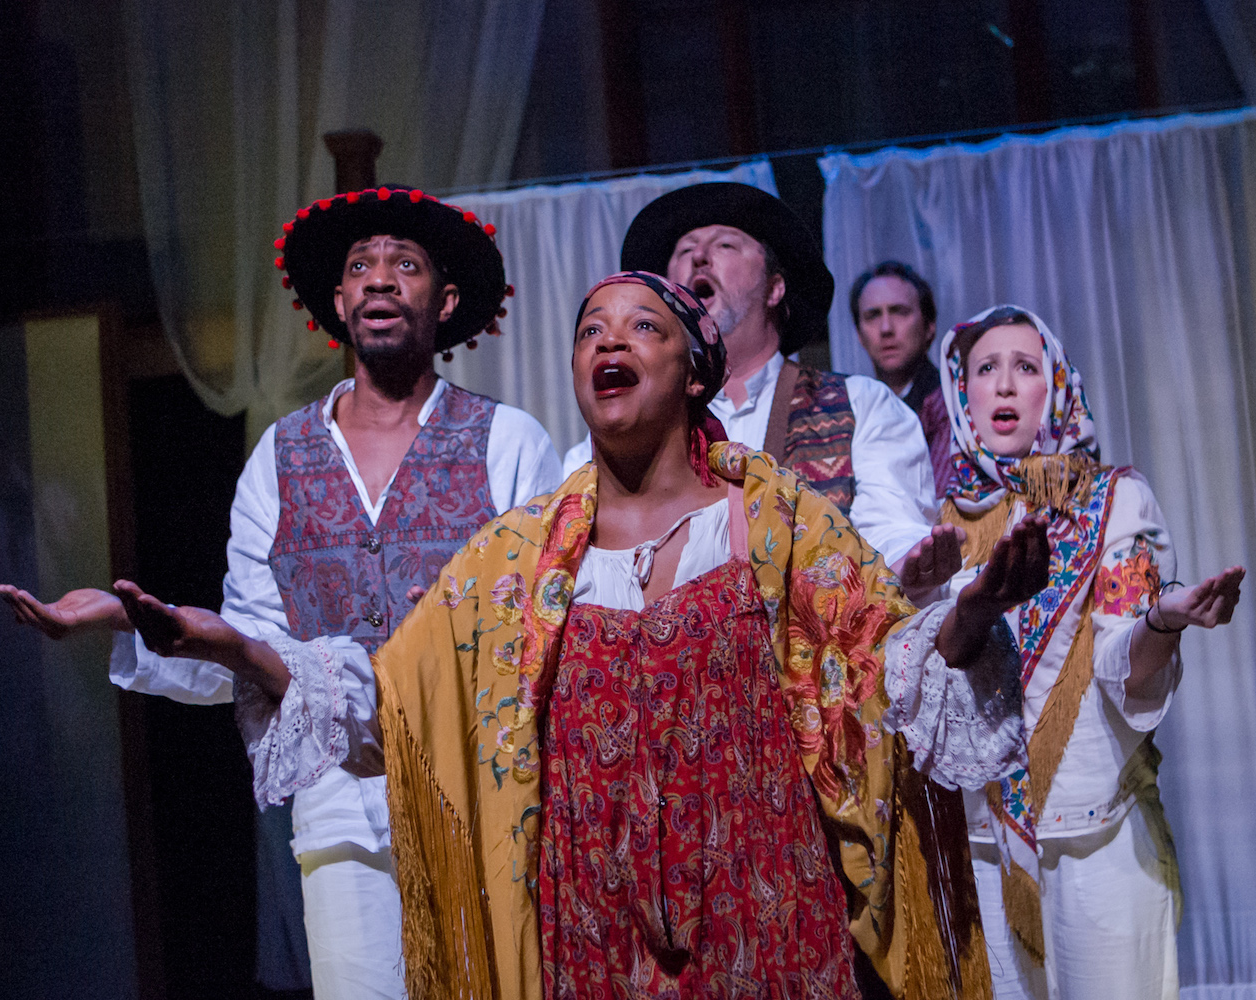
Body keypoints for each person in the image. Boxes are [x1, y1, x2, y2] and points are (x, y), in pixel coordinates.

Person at [352, 270, 1054, 998]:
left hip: (766, 911)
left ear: (694, 374)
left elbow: (886, 667)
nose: (610, 340)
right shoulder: (517, 557)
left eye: (643, 326)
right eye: (591, 330)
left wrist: (969, 616)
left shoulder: (778, 521)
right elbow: (401, 697)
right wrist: (253, 659)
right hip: (592, 930)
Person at [0, 186, 562, 999]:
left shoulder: (507, 441)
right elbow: (256, 642)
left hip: (475, 793)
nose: (378, 280)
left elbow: (534, 632)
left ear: (445, 301)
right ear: (336, 302)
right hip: (338, 801)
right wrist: (140, 624)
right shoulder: (282, 454)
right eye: (360, 267)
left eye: (404, 265)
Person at [934, 305, 1245, 1000]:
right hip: (985, 842)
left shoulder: (1114, 500)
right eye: (987, 369)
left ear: (1058, 387)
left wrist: (1160, 622)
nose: (1006, 385)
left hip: (1094, 833)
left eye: (1026, 367)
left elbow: (1120, 665)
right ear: (963, 395)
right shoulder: (943, 521)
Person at [561, 183, 956, 605]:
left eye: (726, 244)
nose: (699, 256)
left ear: (774, 288)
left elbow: (892, 529)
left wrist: (909, 566)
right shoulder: (613, 440)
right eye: (685, 250)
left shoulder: (862, 405)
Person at [849, 262, 953, 494]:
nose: (886, 328)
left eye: (900, 311)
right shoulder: (851, 412)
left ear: (929, 326)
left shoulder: (953, 405)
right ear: (859, 335)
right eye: (872, 315)